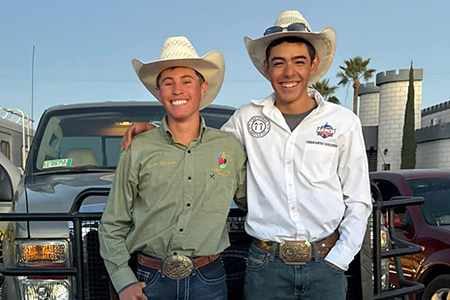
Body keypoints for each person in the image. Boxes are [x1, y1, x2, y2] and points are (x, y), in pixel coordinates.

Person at [121, 10, 372, 300]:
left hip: (325, 265)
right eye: (279, 63)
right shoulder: (245, 119)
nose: (289, 72)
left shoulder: (343, 122)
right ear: (266, 68)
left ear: (313, 65)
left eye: (298, 61)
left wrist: (339, 258)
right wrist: (155, 131)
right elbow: (202, 145)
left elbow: (358, 199)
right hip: (265, 268)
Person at [99, 36, 246, 300]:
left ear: (202, 89)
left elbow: (255, 201)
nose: (177, 90)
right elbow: (112, 223)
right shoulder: (138, 148)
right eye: (168, 83)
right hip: (150, 281)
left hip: (209, 280)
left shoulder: (229, 147)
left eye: (186, 81)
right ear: (159, 92)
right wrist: (123, 280)